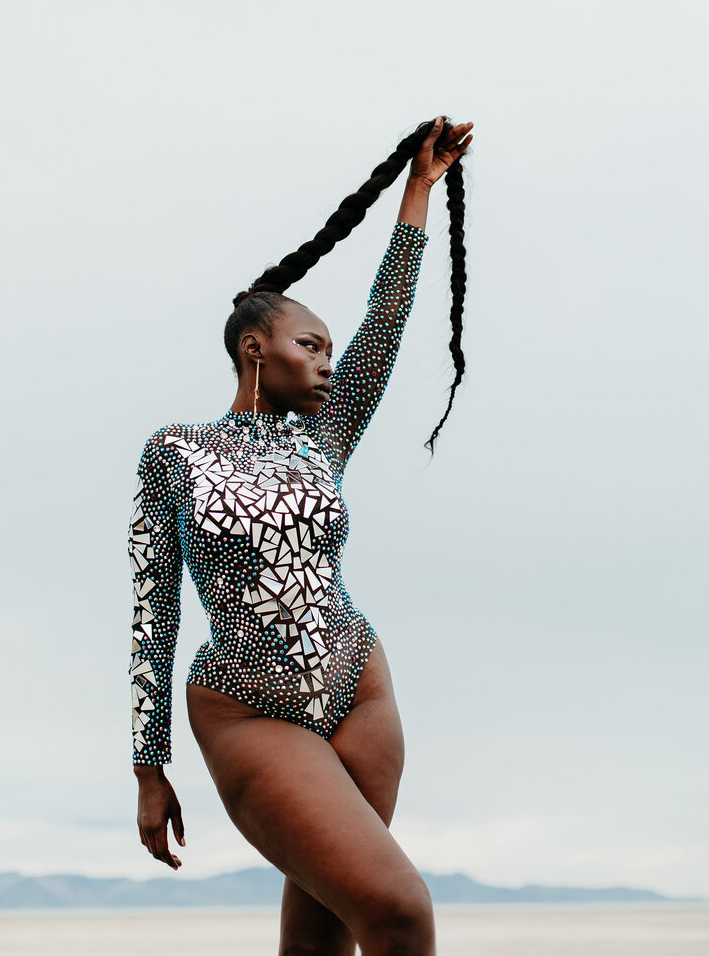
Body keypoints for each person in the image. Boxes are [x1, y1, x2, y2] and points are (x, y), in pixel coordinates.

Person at [128, 114, 474, 956]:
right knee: (399, 911)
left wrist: (419, 188)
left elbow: (387, 315)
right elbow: (154, 609)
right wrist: (149, 764)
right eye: (309, 345)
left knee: (324, 935)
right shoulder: (175, 453)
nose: (328, 362)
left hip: (361, 688)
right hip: (246, 708)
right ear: (255, 348)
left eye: (329, 350)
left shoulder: (325, 434)